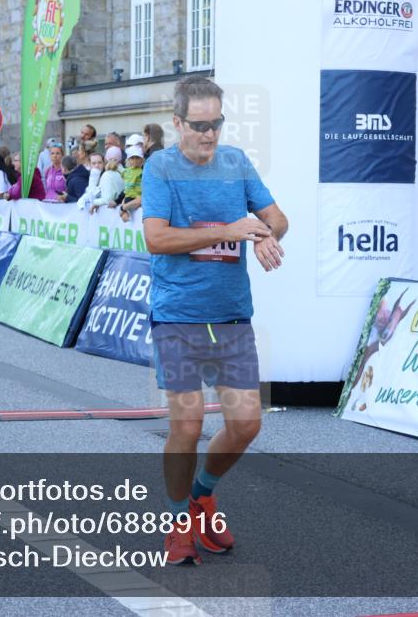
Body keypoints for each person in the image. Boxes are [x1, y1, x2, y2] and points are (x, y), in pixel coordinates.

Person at [142, 76, 289, 565]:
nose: (209, 134)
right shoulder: (160, 167)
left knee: (246, 424)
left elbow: (278, 218)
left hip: (231, 316)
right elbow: (156, 239)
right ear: (178, 123)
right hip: (178, 317)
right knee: (186, 427)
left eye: (216, 124)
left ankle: (202, 496)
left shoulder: (236, 162)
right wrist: (228, 230)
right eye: (199, 125)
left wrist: (265, 234)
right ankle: (178, 522)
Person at [119, 146, 144, 222]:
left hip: (139, 196)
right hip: (129, 196)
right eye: (132, 158)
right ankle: (123, 210)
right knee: (124, 216)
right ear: (128, 160)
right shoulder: (125, 171)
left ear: (142, 160)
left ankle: (123, 209)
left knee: (140, 200)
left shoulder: (143, 171)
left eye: (137, 158)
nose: (135, 160)